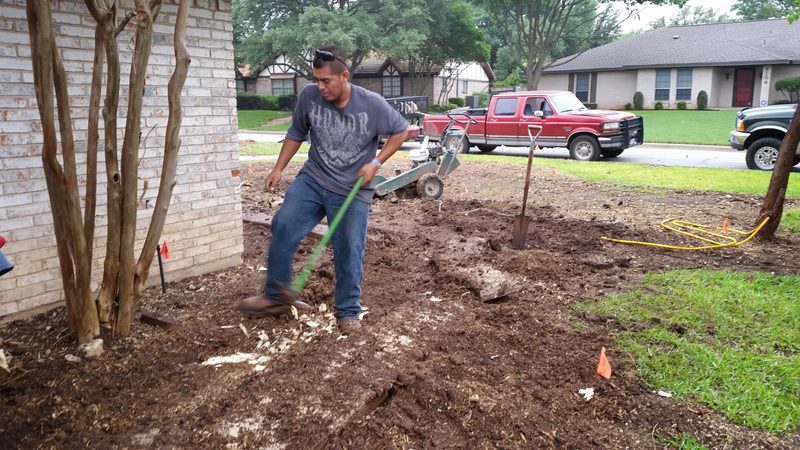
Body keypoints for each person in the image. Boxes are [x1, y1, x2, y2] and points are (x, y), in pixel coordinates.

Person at [239, 46, 408, 335]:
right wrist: (279, 168)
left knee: (349, 248)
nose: (320, 87)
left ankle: (348, 310)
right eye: (316, 80)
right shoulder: (309, 96)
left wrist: (376, 162)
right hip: (314, 178)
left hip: (352, 187)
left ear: (344, 76)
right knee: (283, 223)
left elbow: (400, 130)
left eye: (326, 81)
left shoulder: (372, 104)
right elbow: (296, 132)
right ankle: (276, 297)